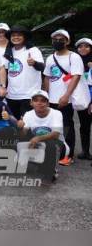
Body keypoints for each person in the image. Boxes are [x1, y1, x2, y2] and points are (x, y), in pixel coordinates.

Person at [43, 29, 84, 166]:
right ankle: (56, 151)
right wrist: (46, 96)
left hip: (65, 99)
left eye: (61, 39)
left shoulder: (74, 57)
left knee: (67, 126)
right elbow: (47, 78)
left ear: (67, 41)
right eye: (55, 39)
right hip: (52, 99)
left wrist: (66, 96)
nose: (58, 42)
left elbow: (76, 76)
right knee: (54, 126)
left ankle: (68, 155)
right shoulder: (50, 58)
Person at [16, 90, 69, 183]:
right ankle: (34, 162)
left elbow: (56, 134)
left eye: (43, 100)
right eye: (36, 100)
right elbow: (22, 135)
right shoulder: (28, 114)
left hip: (58, 146)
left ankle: (51, 171)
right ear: (31, 103)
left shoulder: (56, 113)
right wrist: (20, 128)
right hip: (38, 144)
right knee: (17, 139)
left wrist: (38, 138)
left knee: (51, 144)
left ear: (48, 103)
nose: (39, 103)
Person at [3, 25, 45, 119]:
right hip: (11, 96)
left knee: (26, 125)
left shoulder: (33, 50)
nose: (16, 37)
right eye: (13, 35)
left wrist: (34, 63)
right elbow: (5, 72)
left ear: (24, 37)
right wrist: (3, 88)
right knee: (14, 124)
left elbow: (42, 67)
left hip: (28, 95)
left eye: (19, 35)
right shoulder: (8, 52)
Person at [75, 38, 92, 161]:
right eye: (80, 46)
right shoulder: (75, 62)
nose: (83, 49)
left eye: (86, 46)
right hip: (82, 98)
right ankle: (85, 151)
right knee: (84, 125)